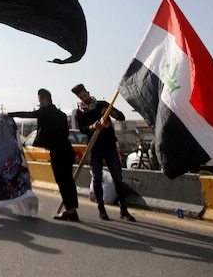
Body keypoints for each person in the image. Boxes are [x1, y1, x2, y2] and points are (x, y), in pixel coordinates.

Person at [9, 88, 80, 221]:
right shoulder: (61, 114)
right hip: (67, 151)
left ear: (45, 99)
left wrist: (9, 114)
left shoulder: (45, 111)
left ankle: (70, 211)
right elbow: (65, 133)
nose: (39, 103)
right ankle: (72, 209)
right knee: (69, 182)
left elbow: (28, 114)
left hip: (57, 152)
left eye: (40, 100)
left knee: (62, 182)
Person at [71, 83, 135, 222]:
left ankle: (124, 209)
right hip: (95, 148)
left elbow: (121, 117)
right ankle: (101, 209)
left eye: (85, 95)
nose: (84, 98)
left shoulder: (102, 105)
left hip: (110, 146)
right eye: (81, 97)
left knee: (118, 178)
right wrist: (92, 127)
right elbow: (82, 129)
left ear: (88, 92)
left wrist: (111, 112)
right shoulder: (80, 112)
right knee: (97, 179)